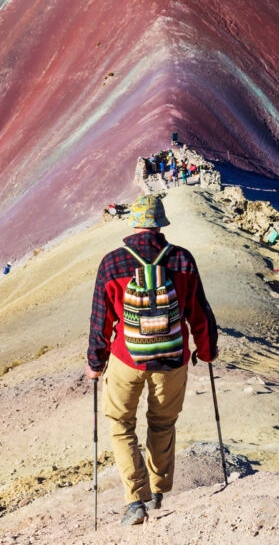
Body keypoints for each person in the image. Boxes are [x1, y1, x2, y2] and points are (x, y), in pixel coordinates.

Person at [86, 193, 218, 526]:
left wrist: (95, 362)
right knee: (162, 424)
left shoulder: (112, 263)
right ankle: (158, 491)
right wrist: (206, 351)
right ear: (160, 223)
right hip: (173, 361)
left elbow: (100, 321)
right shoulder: (182, 260)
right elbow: (199, 313)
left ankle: (135, 502)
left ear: (134, 222)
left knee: (120, 424)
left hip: (126, 361)